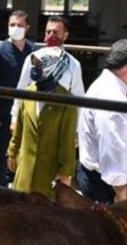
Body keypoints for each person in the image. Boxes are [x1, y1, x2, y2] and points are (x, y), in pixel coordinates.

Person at [77, 39, 127, 204]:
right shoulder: (112, 95)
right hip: (107, 187)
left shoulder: (107, 86)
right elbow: (111, 148)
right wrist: (121, 192)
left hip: (103, 181)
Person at [6, 46, 78, 198]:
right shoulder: (27, 93)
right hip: (25, 170)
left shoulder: (66, 102)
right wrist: (12, 152)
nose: (34, 69)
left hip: (48, 173)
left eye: (39, 65)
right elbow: (20, 127)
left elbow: (67, 141)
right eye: (33, 65)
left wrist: (65, 172)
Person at [0, 9, 36, 186]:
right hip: (5, 110)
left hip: (28, 110)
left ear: (27, 27)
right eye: (12, 25)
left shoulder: (34, 50)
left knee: (24, 151)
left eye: (20, 25)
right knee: (2, 152)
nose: (15, 28)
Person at [12, 16, 85, 123]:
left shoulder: (73, 64)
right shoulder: (33, 58)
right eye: (48, 32)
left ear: (65, 35)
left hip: (59, 120)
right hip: (33, 118)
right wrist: (14, 118)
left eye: (55, 32)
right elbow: (22, 88)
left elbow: (78, 96)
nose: (51, 35)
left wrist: (77, 129)